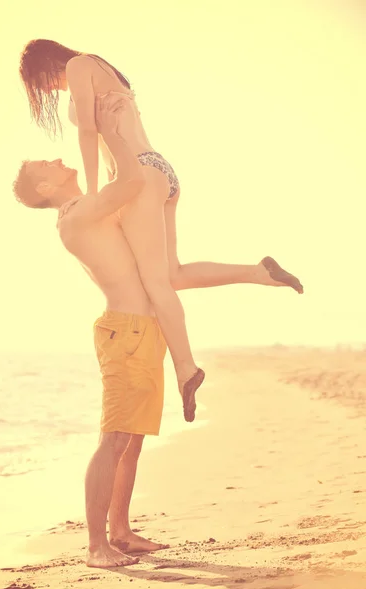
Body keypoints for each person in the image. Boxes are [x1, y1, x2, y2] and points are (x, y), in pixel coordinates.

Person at [18, 39, 303, 423]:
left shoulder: (79, 66)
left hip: (138, 173)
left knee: (156, 284)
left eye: (40, 82)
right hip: (159, 170)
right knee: (172, 274)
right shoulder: (99, 67)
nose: (49, 90)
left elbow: (88, 131)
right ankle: (258, 272)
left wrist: (93, 192)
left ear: (45, 65)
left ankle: (186, 368)